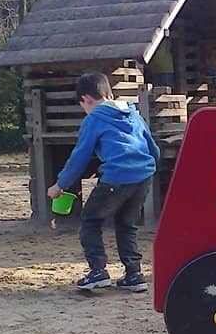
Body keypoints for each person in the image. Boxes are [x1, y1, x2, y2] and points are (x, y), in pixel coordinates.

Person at [47, 72, 160, 292]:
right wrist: (150, 167)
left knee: (90, 220)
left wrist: (59, 185)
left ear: (86, 99)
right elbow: (152, 147)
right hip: (143, 176)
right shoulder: (133, 113)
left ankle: (98, 271)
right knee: (126, 224)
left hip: (117, 177)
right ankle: (134, 274)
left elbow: (79, 157)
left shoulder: (95, 118)